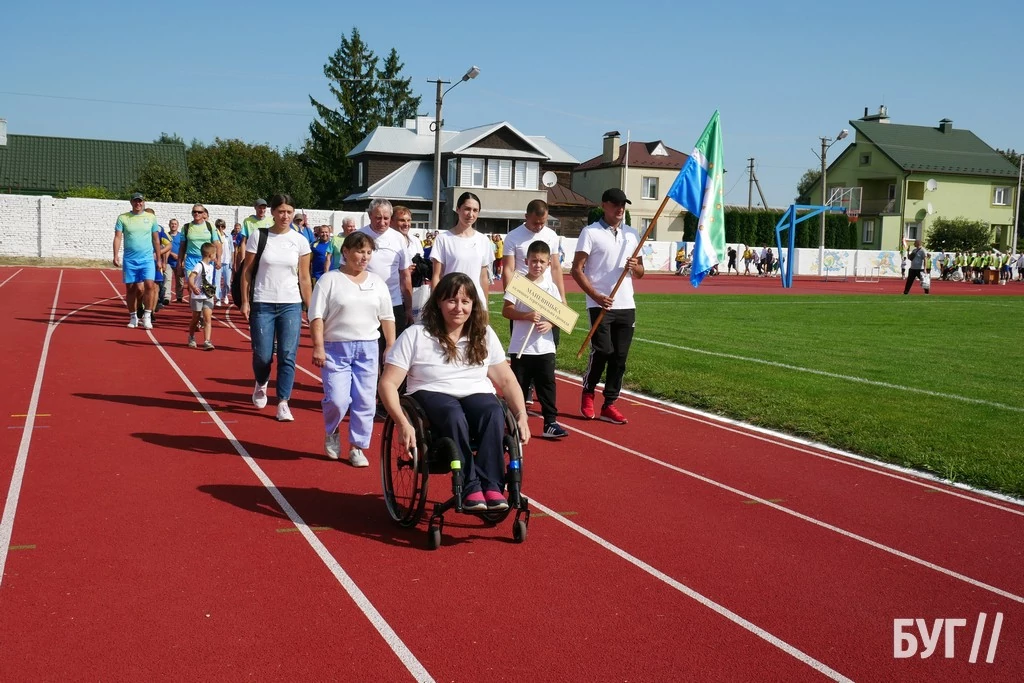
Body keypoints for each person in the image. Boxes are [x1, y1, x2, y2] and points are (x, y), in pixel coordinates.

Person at [379, 273, 530, 512]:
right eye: (452, 300)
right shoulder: (416, 334)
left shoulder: (483, 333)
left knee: (493, 411)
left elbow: (507, 380)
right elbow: (387, 383)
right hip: (430, 391)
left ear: (473, 305)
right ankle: (469, 486)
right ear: (438, 302)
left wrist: (521, 414)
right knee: (453, 414)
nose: (459, 308)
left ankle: (491, 485)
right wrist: (402, 422)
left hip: (475, 391)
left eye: (465, 302)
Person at [310, 231, 396, 467]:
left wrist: (390, 345)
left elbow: (387, 317)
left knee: (365, 401)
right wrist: (318, 346)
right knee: (337, 400)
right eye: (360, 251)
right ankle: (333, 429)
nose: (364, 257)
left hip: (368, 348)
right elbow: (316, 316)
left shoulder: (377, 282)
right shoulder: (329, 280)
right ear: (346, 252)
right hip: (335, 348)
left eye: (368, 252)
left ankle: (357, 446)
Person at [570, 188, 643, 425]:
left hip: (626, 304)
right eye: (615, 204)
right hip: (600, 303)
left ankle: (609, 403)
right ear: (604, 205)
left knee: (620, 357)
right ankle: (588, 390)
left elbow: (641, 272)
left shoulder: (632, 234)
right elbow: (576, 269)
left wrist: (634, 266)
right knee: (602, 350)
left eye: (623, 204)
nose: (620, 208)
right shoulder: (590, 232)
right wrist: (596, 295)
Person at [239, 194, 313, 421]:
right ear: (272, 212)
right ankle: (261, 381)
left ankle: (283, 402)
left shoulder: (300, 240)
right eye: (281, 211)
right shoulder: (259, 236)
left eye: (289, 212)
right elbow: (247, 272)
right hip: (263, 302)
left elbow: (304, 277)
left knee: (287, 354)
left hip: (291, 304)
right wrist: (245, 301)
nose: (285, 216)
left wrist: (311, 308)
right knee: (263, 355)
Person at [502, 241, 567, 439]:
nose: (537, 265)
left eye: (542, 262)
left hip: (545, 347)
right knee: (519, 386)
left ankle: (550, 423)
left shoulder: (551, 287)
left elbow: (561, 315)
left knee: (547, 385)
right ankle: (514, 422)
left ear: (548, 264)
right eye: (534, 261)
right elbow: (506, 310)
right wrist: (526, 316)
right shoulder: (518, 284)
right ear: (526, 261)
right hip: (521, 346)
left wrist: (551, 324)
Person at [431, 192, 492, 310]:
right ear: (458, 209)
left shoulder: (483, 240)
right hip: (451, 301)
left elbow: (483, 277)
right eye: (467, 209)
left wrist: (485, 306)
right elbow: (437, 275)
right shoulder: (443, 239)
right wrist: (435, 303)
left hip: (476, 301)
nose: (471, 214)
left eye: (475, 210)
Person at [113, 192, 160, 329]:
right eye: (135, 201)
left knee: (150, 285)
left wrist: (159, 259)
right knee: (131, 288)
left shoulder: (151, 217)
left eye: (140, 201)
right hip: (130, 260)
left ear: (143, 202)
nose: (138, 203)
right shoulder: (123, 218)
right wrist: (115, 255)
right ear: (131, 202)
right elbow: (118, 237)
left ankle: (147, 316)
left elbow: (156, 239)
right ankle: (133, 317)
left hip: (147, 259)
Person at [176, 204, 222, 300]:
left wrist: (218, 260)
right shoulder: (186, 227)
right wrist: (179, 264)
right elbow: (182, 247)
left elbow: (217, 244)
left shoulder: (210, 226)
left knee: (206, 286)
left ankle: (205, 306)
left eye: (199, 212)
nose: (197, 213)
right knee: (191, 287)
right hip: (191, 260)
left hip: (206, 260)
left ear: (204, 213)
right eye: (194, 211)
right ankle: (194, 308)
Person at [187, 242, 218, 350]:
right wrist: (193, 287)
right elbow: (191, 277)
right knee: (195, 318)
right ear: (210, 255)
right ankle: (191, 336)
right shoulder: (199, 265)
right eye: (215, 254)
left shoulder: (212, 267)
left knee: (207, 318)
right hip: (198, 296)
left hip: (208, 296)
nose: (216, 256)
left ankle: (207, 341)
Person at [237, 198, 274, 269]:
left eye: (264, 208)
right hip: (251, 253)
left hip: (266, 255)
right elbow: (243, 242)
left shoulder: (271, 221)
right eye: (260, 208)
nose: (262, 210)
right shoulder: (248, 221)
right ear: (255, 208)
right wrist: (243, 258)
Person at [215, 219, 232, 306]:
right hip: (218, 262)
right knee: (217, 281)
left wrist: (232, 262)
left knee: (227, 283)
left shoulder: (228, 236)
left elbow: (232, 249)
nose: (220, 228)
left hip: (227, 262)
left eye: (222, 226)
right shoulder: (214, 236)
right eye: (218, 226)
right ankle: (218, 298)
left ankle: (225, 295)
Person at [166, 218, 183, 303]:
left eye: (175, 224)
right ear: (169, 225)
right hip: (168, 261)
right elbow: (163, 247)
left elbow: (184, 248)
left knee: (180, 281)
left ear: (178, 225)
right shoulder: (166, 235)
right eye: (172, 224)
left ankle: (179, 296)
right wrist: (172, 254)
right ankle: (167, 297)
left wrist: (181, 258)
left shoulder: (181, 236)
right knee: (167, 279)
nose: (173, 225)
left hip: (178, 262)